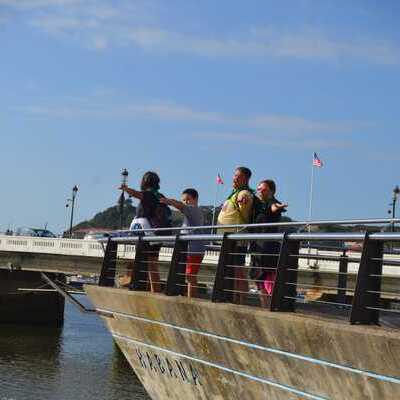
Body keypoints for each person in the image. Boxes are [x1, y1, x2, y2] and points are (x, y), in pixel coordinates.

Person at [120, 171, 171, 293]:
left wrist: (126, 189)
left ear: (144, 182)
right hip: (158, 233)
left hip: (146, 233)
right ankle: (155, 291)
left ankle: (149, 290)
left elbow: (138, 194)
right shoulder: (159, 195)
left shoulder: (147, 194)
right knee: (152, 264)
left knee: (144, 262)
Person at [217, 166, 254, 304]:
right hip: (229, 238)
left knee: (238, 270)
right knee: (232, 270)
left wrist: (243, 201)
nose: (234, 178)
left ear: (246, 179)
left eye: (238, 176)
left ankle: (241, 301)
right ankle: (234, 299)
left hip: (237, 238)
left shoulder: (244, 193)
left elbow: (245, 207)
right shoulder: (234, 193)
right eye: (234, 175)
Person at [160, 188, 205, 298]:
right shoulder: (190, 213)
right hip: (189, 248)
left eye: (188, 199)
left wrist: (169, 201)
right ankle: (188, 298)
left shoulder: (193, 209)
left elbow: (180, 205)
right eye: (184, 200)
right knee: (189, 276)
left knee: (190, 276)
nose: (186, 202)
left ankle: (191, 300)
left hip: (194, 249)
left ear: (196, 199)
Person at [250, 179, 287, 307]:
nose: (260, 191)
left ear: (271, 191)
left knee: (267, 281)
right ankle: (265, 308)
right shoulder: (258, 204)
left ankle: (271, 308)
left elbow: (274, 207)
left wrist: (277, 207)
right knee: (259, 282)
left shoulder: (271, 202)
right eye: (259, 189)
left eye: (264, 189)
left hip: (267, 249)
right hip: (257, 248)